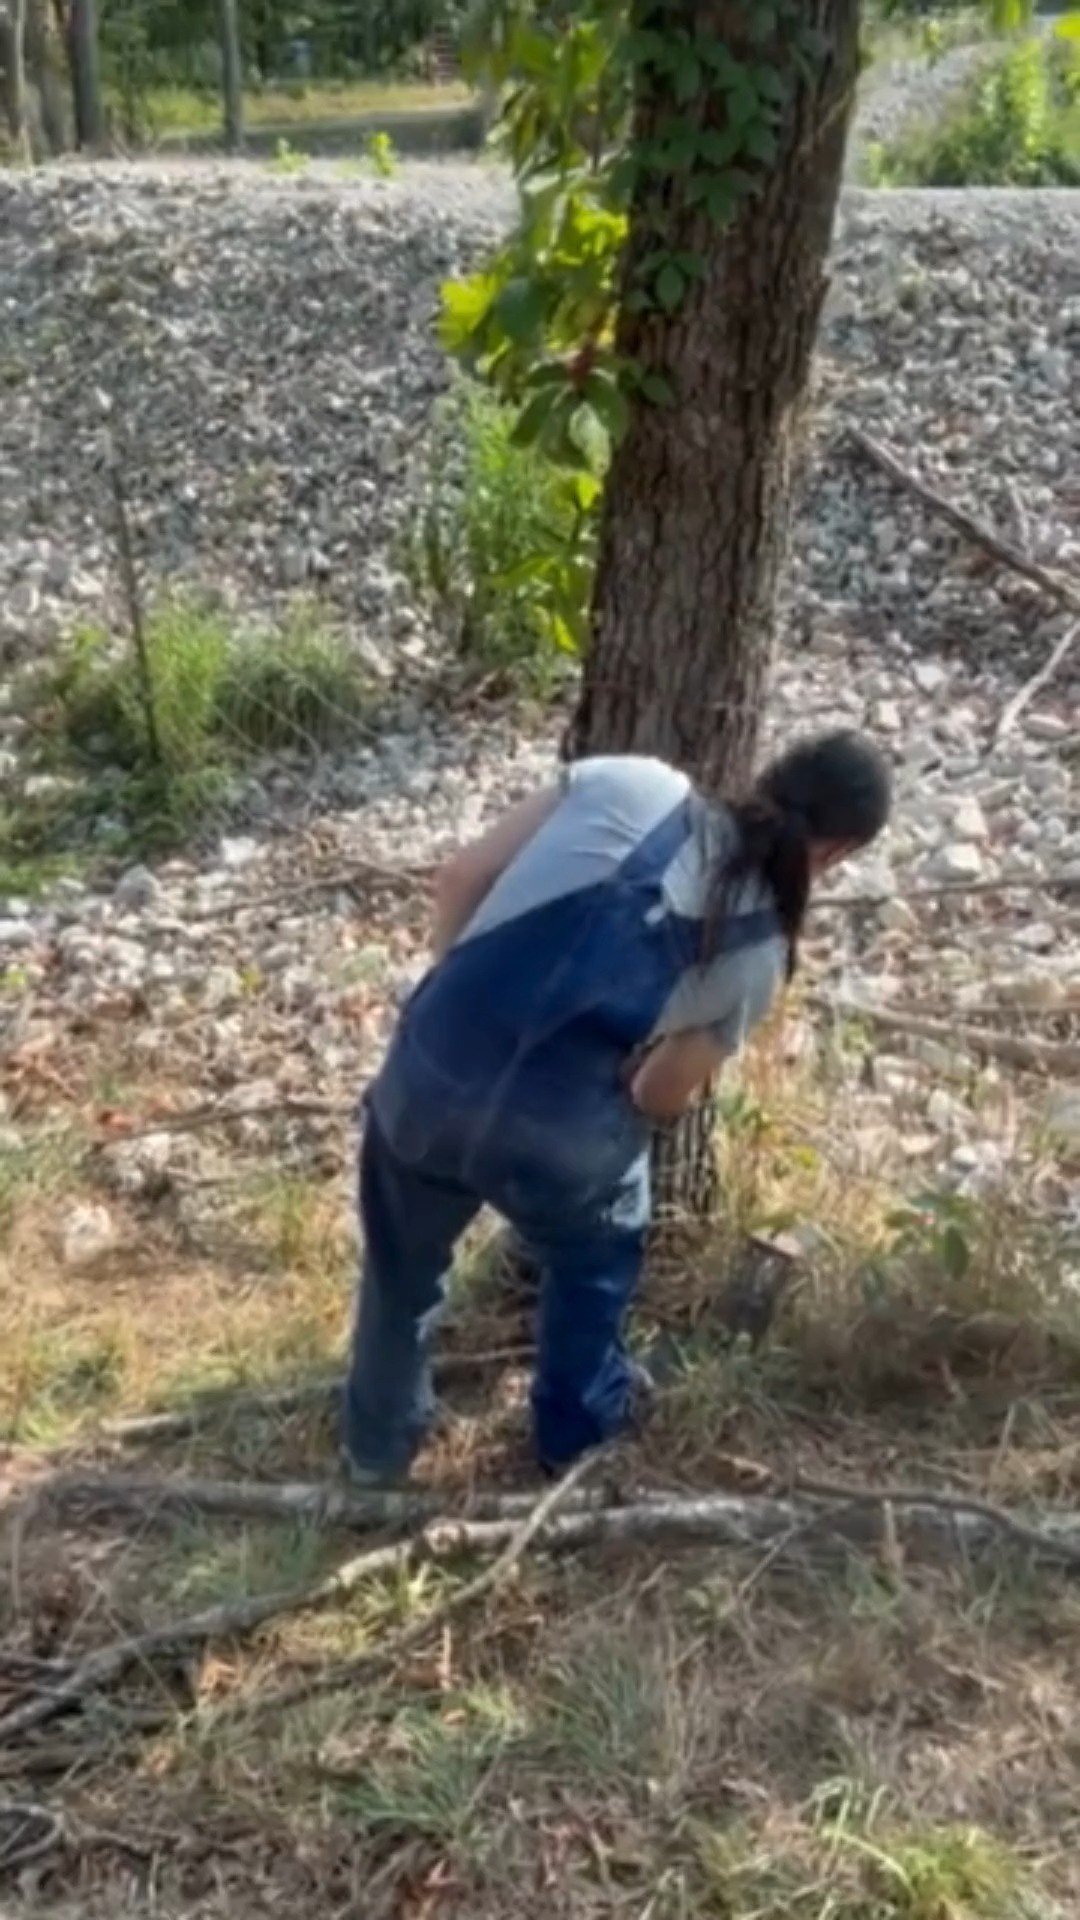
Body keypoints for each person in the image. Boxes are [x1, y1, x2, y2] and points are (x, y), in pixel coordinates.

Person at [343, 731, 891, 1484]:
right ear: (836, 854)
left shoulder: (629, 783)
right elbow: (657, 1095)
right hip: (556, 1147)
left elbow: (459, 877)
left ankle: (377, 1449)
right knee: (602, 1241)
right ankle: (571, 1433)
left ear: (767, 771)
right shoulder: (761, 951)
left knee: (400, 1270)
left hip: (426, 1080)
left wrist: (462, 1005)